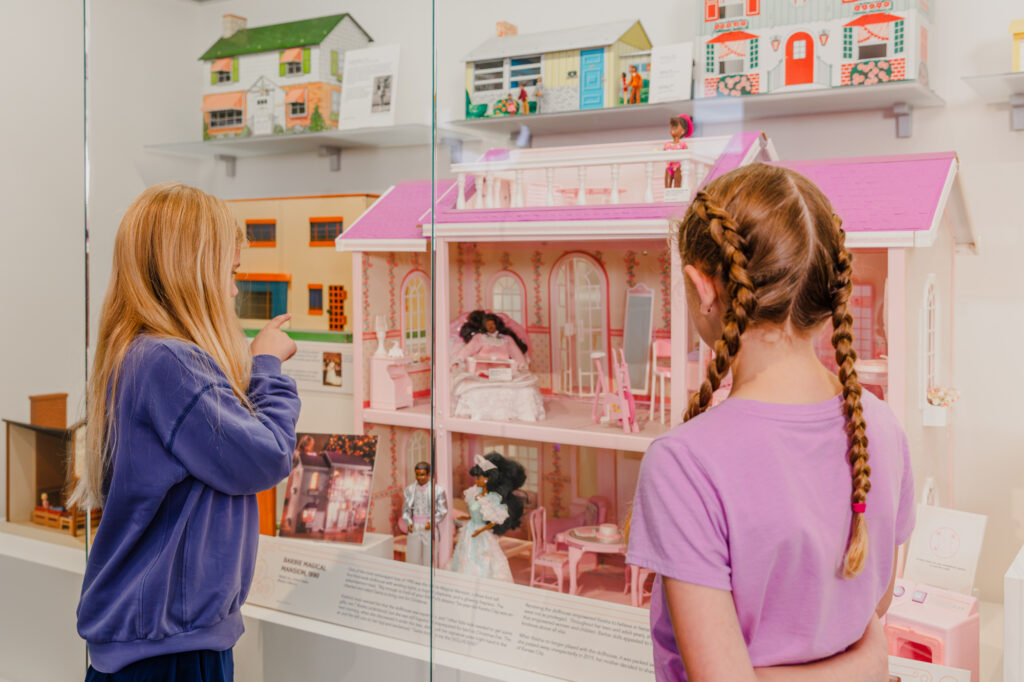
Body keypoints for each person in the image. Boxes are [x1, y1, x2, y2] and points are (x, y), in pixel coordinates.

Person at [626, 163, 914, 681]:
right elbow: (873, 607)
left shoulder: (683, 463)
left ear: (702, 286)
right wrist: (865, 666)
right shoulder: (882, 427)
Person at [72, 182, 301, 681]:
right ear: (192, 268)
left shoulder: (143, 354)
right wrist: (266, 366)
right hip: (167, 651)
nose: (236, 289)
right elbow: (266, 456)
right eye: (231, 272)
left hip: (165, 641)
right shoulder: (168, 361)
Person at [449, 453, 526, 582]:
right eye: (476, 477)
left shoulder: (491, 499)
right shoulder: (474, 493)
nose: (477, 480)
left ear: (489, 479)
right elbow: (474, 514)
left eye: (480, 477)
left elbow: (494, 520)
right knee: (465, 557)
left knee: (483, 560)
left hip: (481, 534)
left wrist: (481, 530)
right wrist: (465, 518)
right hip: (470, 530)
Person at [402, 461, 450, 567]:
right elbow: (406, 509)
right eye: (417, 474)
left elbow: (443, 510)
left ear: (429, 475)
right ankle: (414, 579)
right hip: (414, 527)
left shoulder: (437, 490)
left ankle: (427, 581)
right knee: (413, 557)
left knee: (429, 557)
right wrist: (408, 522)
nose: (419, 477)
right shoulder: (409, 489)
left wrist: (432, 522)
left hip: (428, 527)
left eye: (422, 474)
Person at [453, 312, 528, 372]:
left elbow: (515, 352)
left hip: (502, 369)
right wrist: (459, 359)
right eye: (488, 325)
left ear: (497, 325)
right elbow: (469, 349)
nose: (490, 327)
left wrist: (522, 364)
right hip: (482, 368)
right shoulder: (480, 337)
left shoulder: (506, 339)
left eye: (492, 324)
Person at [664, 114, 693, 189]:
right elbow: (663, 153)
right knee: (667, 182)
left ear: (682, 131)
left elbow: (686, 154)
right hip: (669, 167)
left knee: (677, 182)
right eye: (671, 128)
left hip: (678, 167)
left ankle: (676, 193)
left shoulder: (682, 144)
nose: (673, 130)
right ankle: (667, 193)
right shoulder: (668, 144)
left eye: (675, 128)